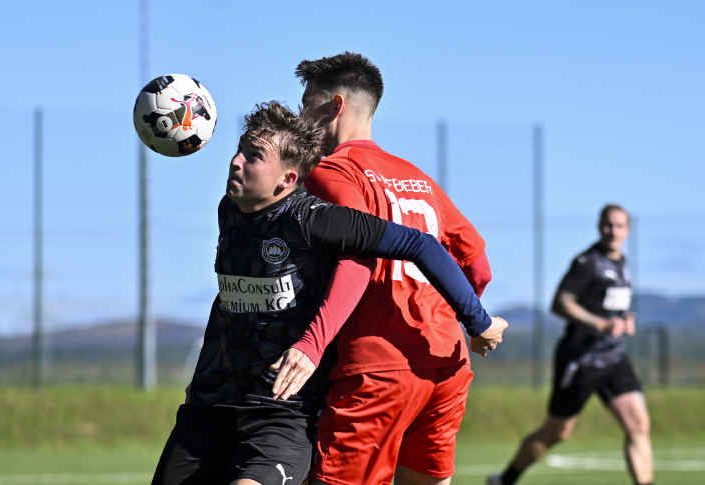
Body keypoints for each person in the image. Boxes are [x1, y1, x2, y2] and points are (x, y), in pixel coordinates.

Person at [152, 101, 502, 485]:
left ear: (287, 179)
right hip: (209, 406)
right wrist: (207, 370)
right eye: (239, 150)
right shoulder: (230, 210)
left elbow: (420, 245)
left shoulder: (312, 219)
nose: (236, 162)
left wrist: (477, 322)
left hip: (280, 414)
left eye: (254, 156)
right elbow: (232, 298)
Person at [271, 51, 508, 485]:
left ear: (335, 106)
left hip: (379, 365)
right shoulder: (418, 177)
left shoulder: (329, 171)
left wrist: (313, 343)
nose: (301, 117)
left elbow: (356, 256)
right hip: (446, 360)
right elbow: (478, 265)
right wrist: (468, 320)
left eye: (307, 104)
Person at [488, 204, 652, 485]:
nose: (613, 231)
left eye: (619, 226)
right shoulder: (587, 263)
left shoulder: (621, 264)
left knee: (638, 425)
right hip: (581, 360)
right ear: (599, 227)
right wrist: (600, 324)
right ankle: (505, 480)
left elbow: (609, 306)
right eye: (608, 225)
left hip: (613, 357)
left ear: (628, 230)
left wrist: (624, 320)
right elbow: (560, 303)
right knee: (557, 432)